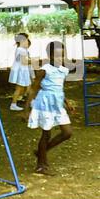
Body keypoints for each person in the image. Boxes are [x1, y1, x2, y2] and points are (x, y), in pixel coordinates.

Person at [24, 41, 74, 175]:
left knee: (67, 132)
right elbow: (34, 88)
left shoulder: (63, 70)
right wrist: (27, 109)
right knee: (46, 134)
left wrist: (66, 101)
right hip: (44, 103)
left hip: (57, 104)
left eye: (63, 55)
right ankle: (40, 165)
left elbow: (58, 88)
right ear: (50, 55)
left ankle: (41, 152)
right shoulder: (45, 70)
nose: (60, 58)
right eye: (57, 56)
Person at [9, 33, 35, 111]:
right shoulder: (21, 49)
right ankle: (14, 104)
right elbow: (24, 61)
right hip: (22, 71)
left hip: (23, 70)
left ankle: (31, 102)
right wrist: (33, 61)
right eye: (26, 39)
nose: (27, 40)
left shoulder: (22, 49)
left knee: (26, 87)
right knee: (21, 88)